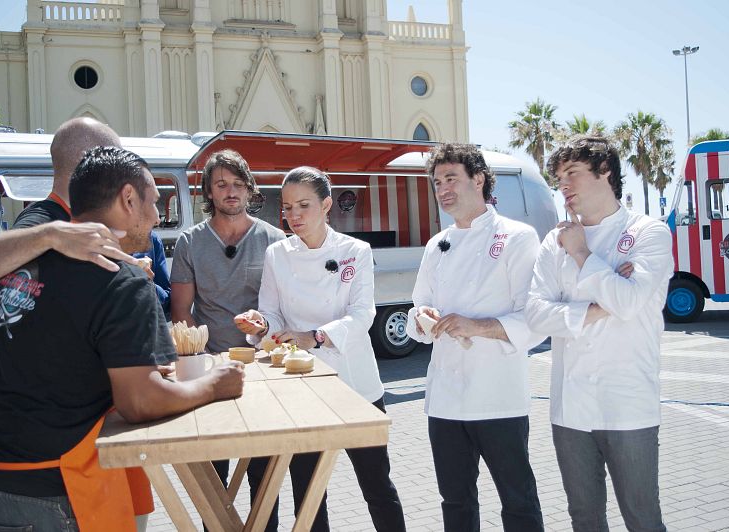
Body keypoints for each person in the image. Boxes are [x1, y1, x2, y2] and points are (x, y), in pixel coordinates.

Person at [0, 146, 245, 531]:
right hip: (53, 487)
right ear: (128, 199)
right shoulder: (122, 278)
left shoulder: (24, 256)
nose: (157, 217)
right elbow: (140, 402)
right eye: (152, 202)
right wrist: (213, 384)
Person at [235, 166, 406, 532]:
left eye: (304, 206)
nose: (294, 216)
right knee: (309, 493)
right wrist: (261, 325)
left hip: (355, 386)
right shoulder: (277, 254)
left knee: (376, 485)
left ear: (327, 205)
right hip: (303, 389)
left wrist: (313, 336)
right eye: (287, 207)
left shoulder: (355, 251)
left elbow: (362, 315)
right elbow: (272, 314)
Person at [525, 135, 671, 532]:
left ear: (605, 171)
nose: (563, 185)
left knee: (642, 518)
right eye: (558, 177)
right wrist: (594, 308)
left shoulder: (647, 233)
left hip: (628, 403)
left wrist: (583, 255)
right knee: (584, 518)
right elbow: (536, 315)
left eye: (572, 173)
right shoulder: (552, 243)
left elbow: (628, 303)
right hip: (570, 406)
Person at [405, 143, 544, 532]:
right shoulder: (438, 244)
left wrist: (475, 326)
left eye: (451, 178)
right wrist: (423, 318)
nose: (443, 188)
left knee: (518, 500)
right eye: (437, 182)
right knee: (456, 501)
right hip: (446, 400)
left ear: (479, 179)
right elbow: (419, 309)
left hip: (498, 397)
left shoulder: (518, 237)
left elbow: (532, 318)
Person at [169, 149, 285, 527]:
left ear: (249, 189)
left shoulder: (273, 238)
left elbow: (284, 306)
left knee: (263, 469)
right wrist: (199, 361)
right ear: (209, 191)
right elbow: (182, 311)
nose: (230, 191)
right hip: (210, 369)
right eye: (221, 184)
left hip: (262, 368)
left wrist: (263, 330)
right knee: (213, 473)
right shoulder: (190, 242)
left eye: (238, 184)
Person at [0, 117, 135, 282]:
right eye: (113, 160)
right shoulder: (43, 217)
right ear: (87, 161)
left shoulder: (69, 220)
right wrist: (51, 234)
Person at [133, 233, 171, 320]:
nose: (158, 220)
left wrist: (149, 284)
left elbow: (167, 304)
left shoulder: (153, 240)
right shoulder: (98, 242)